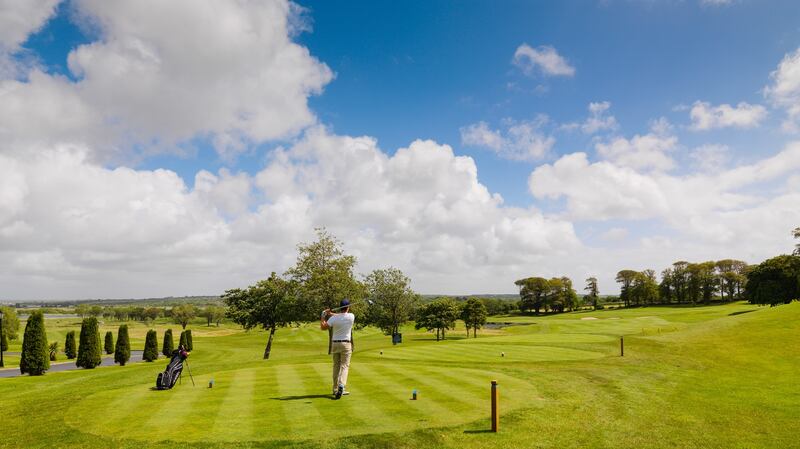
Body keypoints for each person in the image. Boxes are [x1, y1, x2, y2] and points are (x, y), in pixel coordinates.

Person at [320, 298, 355, 399]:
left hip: (335, 344)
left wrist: (323, 316)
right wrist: (331, 313)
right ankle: (341, 385)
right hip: (346, 344)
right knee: (345, 366)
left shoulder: (333, 319)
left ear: (340, 307)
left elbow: (323, 327)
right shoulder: (351, 316)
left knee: (336, 366)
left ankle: (335, 389)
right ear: (348, 307)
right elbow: (341, 316)